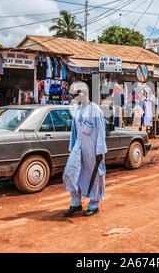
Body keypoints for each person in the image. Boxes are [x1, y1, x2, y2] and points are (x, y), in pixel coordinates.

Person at [63, 82, 107, 217]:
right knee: (71, 173)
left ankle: (94, 205)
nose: (74, 97)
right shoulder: (76, 110)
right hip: (78, 147)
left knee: (94, 176)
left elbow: (101, 132)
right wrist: (73, 149)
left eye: (76, 94)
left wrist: (100, 152)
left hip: (93, 150)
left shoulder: (95, 110)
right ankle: (75, 203)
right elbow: (74, 132)